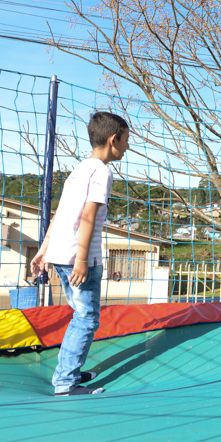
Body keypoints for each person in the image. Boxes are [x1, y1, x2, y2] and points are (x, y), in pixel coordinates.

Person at [31, 112, 130, 396]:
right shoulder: (102, 171)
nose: (127, 146)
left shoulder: (79, 170)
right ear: (113, 139)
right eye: (126, 140)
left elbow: (61, 214)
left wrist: (44, 250)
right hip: (80, 258)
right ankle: (65, 381)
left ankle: (69, 369)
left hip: (61, 254)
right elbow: (88, 216)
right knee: (86, 318)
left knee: (80, 314)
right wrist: (83, 260)